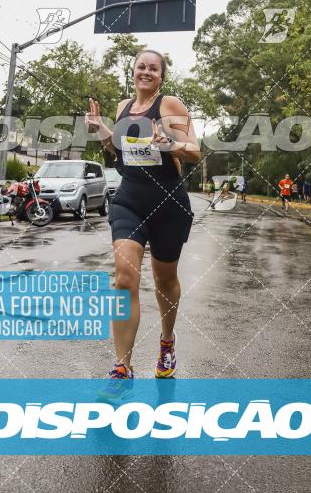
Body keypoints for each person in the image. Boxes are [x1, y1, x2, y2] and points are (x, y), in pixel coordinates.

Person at [85, 49, 201, 382]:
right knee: (124, 277)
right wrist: (102, 131)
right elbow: (119, 152)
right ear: (132, 71)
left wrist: (171, 145)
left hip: (168, 202)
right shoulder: (123, 107)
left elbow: (194, 151)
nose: (146, 72)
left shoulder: (171, 105)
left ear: (161, 76)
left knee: (165, 280)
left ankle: (167, 341)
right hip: (129, 199)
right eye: (141, 66)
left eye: (153, 68)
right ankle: (123, 365)